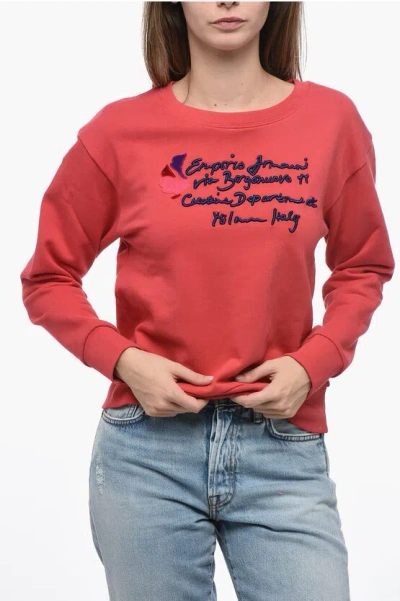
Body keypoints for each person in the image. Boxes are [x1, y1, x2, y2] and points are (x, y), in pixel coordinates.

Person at [20, 2, 395, 600]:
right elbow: (47, 278)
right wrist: (125, 362)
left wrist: (312, 364)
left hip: (283, 448)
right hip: (146, 454)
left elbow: (363, 266)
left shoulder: (331, 122)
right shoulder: (118, 134)